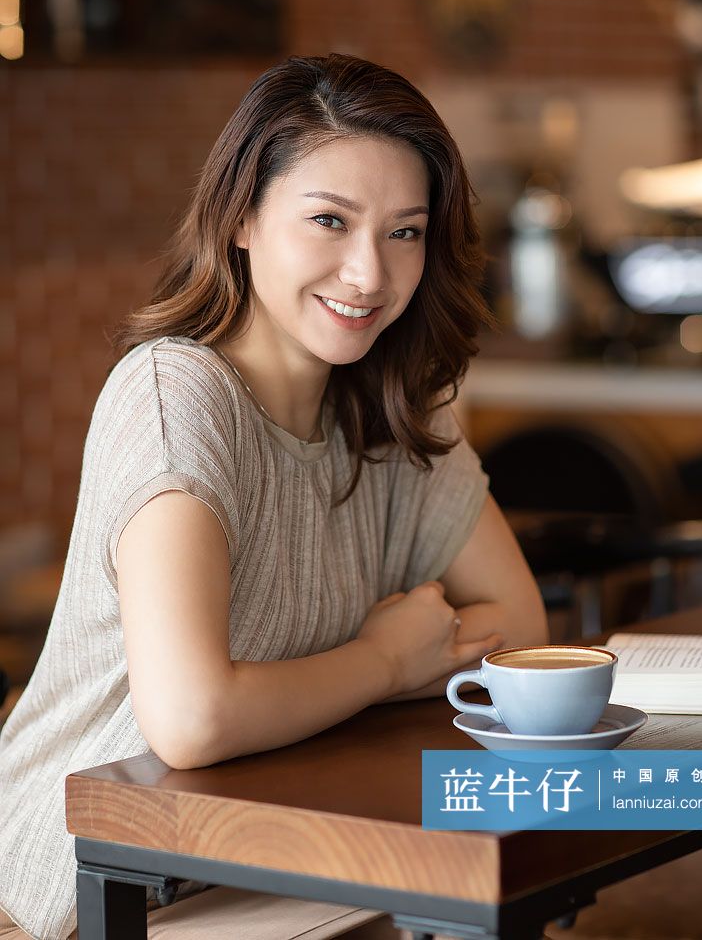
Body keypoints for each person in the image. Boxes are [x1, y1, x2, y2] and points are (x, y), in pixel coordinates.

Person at [0, 54, 548, 940]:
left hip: (270, 867)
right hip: (78, 897)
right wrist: (382, 662)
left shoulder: (390, 404)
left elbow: (519, 624)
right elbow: (190, 716)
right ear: (244, 217)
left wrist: (313, 686)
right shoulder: (176, 395)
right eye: (328, 220)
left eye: (404, 231)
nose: (367, 274)